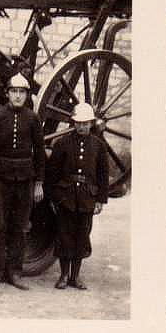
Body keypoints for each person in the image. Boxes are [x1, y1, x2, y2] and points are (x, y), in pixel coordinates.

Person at [0, 73, 47, 289]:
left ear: (26, 95)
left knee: (20, 227)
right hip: (0, 178)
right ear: (7, 93)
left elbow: (39, 152)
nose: (18, 96)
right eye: (14, 91)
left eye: (22, 92)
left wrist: (38, 183)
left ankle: (15, 272)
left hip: (25, 179)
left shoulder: (33, 119)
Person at [45, 103, 109, 290]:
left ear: (91, 123)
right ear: (74, 123)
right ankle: (64, 276)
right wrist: (56, 197)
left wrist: (100, 200)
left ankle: (76, 276)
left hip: (87, 198)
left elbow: (103, 176)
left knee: (82, 236)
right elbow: (52, 173)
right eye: (78, 123)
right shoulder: (62, 144)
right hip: (66, 198)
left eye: (85, 123)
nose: (82, 127)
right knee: (65, 236)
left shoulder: (99, 146)